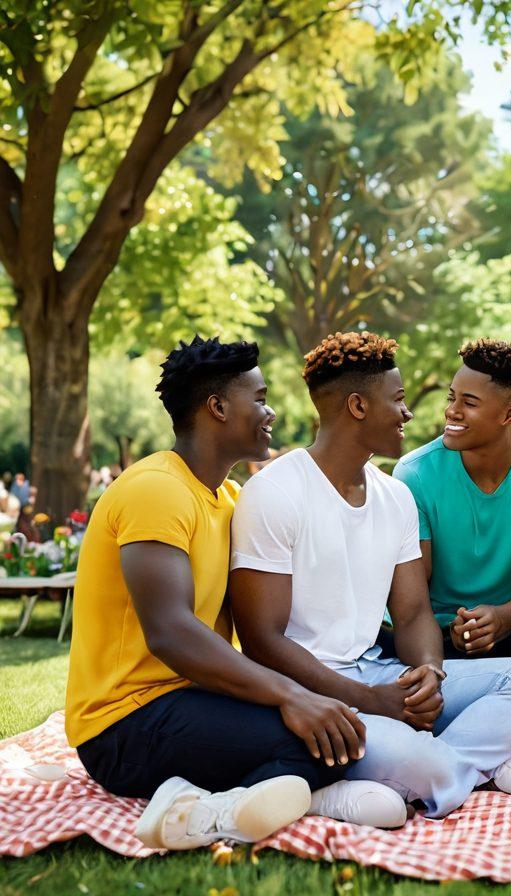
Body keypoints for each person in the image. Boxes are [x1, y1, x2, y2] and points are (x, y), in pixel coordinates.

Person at [65, 336, 391, 852]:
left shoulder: (229, 497)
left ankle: (289, 795)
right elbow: (171, 634)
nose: (272, 412)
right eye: (259, 398)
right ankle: (205, 809)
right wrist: (292, 695)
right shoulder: (155, 489)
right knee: (319, 735)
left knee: (336, 734)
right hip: (125, 724)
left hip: (193, 697)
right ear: (217, 407)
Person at [229, 332, 511, 821]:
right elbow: (261, 640)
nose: (408, 414)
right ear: (358, 406)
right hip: (309, 690)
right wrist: (371, 701)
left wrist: (430, 674)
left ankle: (443, 770)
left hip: (376, 672)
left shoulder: (394, 496)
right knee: (416, 758)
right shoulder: (275, 492)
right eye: (398, 400)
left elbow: (413, 612)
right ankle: (448, 767)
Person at [392, 339, 511, 659]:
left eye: (469, 402)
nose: (452, 410)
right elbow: (414, 589)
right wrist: (452, 630)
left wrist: (500, 618)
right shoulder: (414, 474)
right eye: (452, 397)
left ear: (508, 415)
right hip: (427, 631)